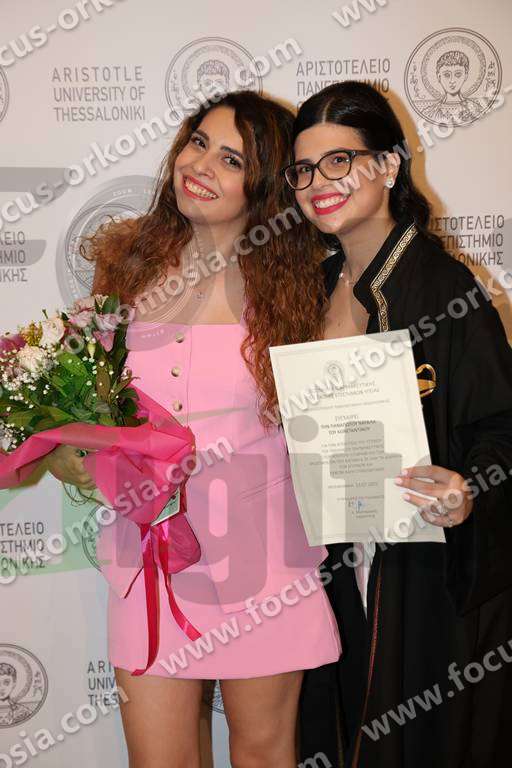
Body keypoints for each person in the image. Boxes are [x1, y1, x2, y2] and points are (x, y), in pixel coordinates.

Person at [44, 90, 341, 768]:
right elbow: (81, 409)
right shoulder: (124, 265)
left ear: (264, 188)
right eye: (198, 142)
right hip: (149, 561)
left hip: (263, 563)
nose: (200, 164)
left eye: (231, 159)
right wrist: (72, 456)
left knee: (264, 755)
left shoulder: (303, 288)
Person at [284, 80, 512, 767]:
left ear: (388, 165)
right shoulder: (310, 289)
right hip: (330, 564)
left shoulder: (444, 288)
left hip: (420, 572)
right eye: (303, 169)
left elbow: (502, 428)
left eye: (340, 161)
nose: (318, 184)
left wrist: (468, 491)